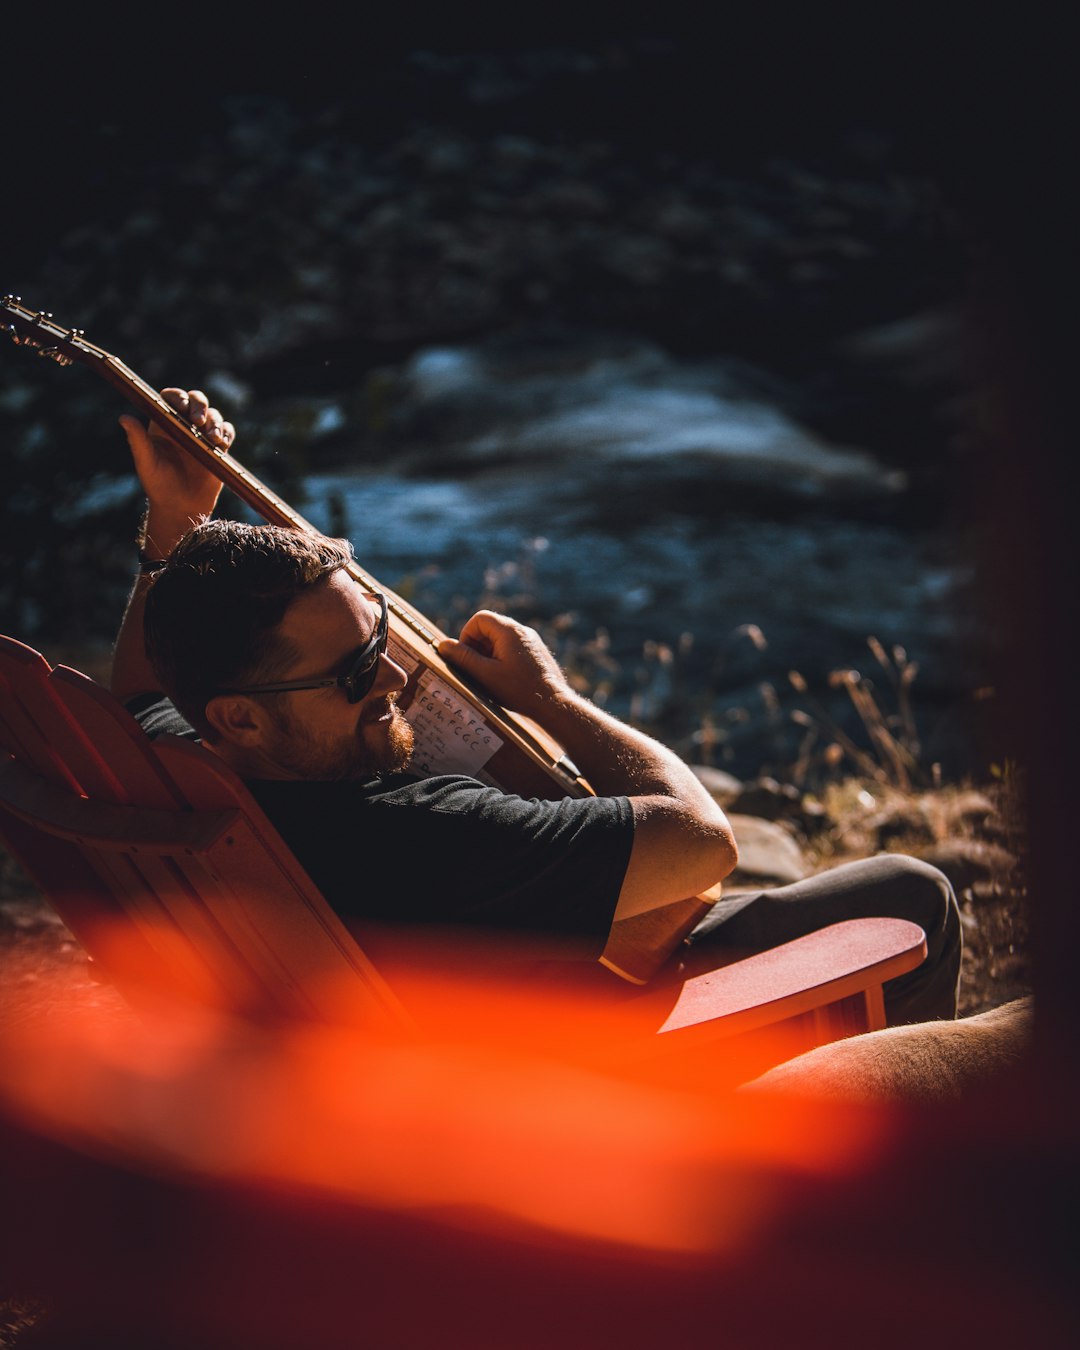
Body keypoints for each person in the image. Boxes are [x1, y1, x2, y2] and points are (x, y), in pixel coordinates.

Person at [113, 389, 961, 1024]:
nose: (395, 677)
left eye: (382, 638)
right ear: (240, 716)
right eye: (355, 670)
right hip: (585, 1037)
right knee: (910, 891)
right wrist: (554, 700)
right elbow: (705, 842)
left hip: (421, 1006)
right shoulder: (421, 834)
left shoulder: (180, 752)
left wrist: (174, 523)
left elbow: (142, 688)